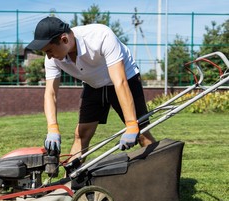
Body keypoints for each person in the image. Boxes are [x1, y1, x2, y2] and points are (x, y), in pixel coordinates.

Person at [26, 16, 156, 159]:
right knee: (82, 134)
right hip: (93, 84)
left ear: (64, 39)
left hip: (125, 79)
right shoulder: (53, 58)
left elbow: (120, 82)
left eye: (49, 50)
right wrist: (52, 129)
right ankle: (72, 178)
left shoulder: (101, 36)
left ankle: (163, 172)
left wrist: (131, 125)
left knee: (141, 132)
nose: (49, 56)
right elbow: (50, 93)